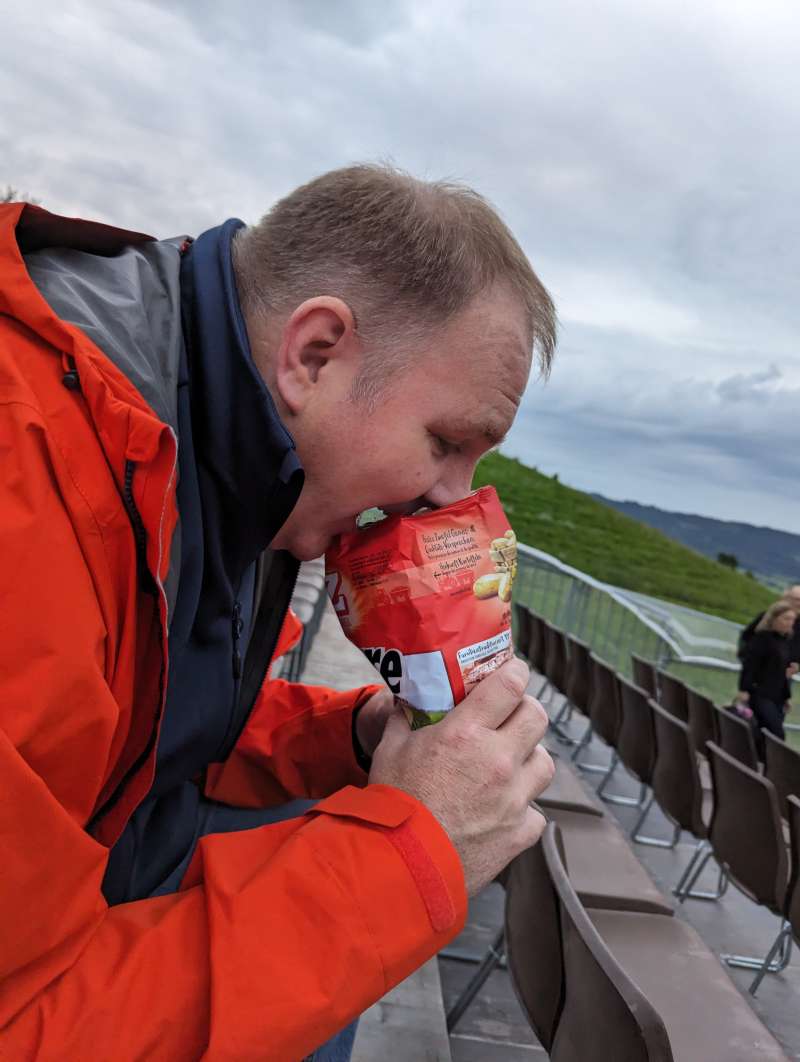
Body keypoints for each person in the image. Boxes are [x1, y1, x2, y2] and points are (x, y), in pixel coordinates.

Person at [0, 166, 557, 1061]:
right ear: (315, 354)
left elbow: (140, 710)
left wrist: (356, 737)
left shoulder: (226, 449)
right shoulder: (31, 478)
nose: (443, 502)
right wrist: (411, 856)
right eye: (445, 444)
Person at [737, 600, 798, 751]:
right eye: (786, 619)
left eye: (792, 620)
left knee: (764, 736)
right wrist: (744, 690)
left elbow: (782, 673)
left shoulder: (784, 642)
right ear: (774, 619)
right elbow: (749, 665)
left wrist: (786, 697)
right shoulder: (762, 639)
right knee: (777, 735)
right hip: (761, 694)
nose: (790, 623)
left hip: (777, 698)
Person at [737, 584, 800, 664]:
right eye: (797, 599)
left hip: (786, 673)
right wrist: (745, 659)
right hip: (759, 669)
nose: (799, 603)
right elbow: (746, 637)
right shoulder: (768, 616)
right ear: (786, 598)